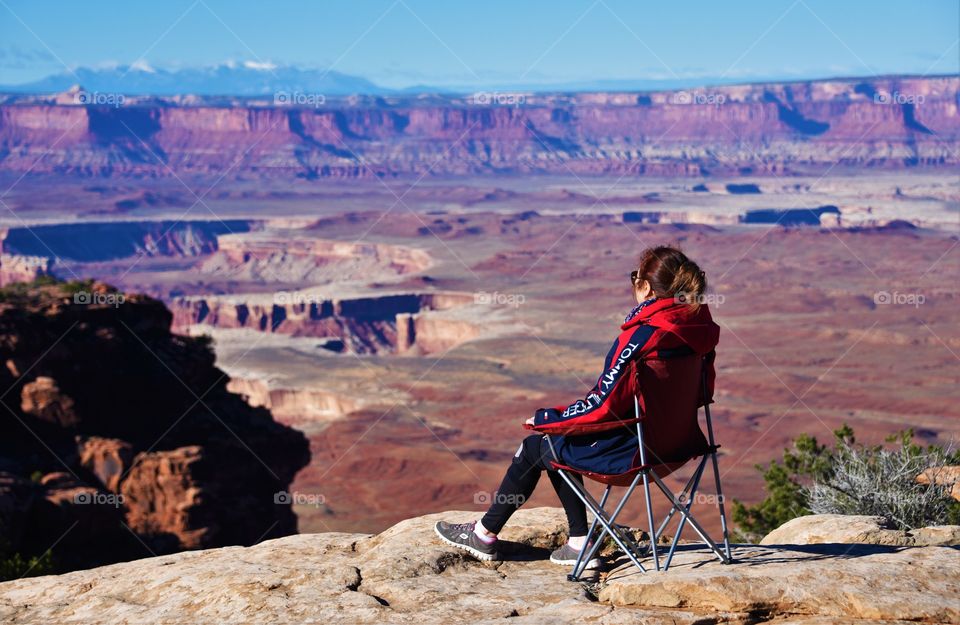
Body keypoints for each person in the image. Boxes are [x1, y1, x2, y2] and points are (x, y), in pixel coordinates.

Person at [434, 245, 720, 566]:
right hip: (677, 449)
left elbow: (601, 405)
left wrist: (547, 419)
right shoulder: (699, 330)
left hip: (633, 455)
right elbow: (702, 394)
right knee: (554, 448)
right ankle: (579, 540)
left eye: (634, 279)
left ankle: (484, 534)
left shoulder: (642, 336)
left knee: (536, 447)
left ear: (647, 288)